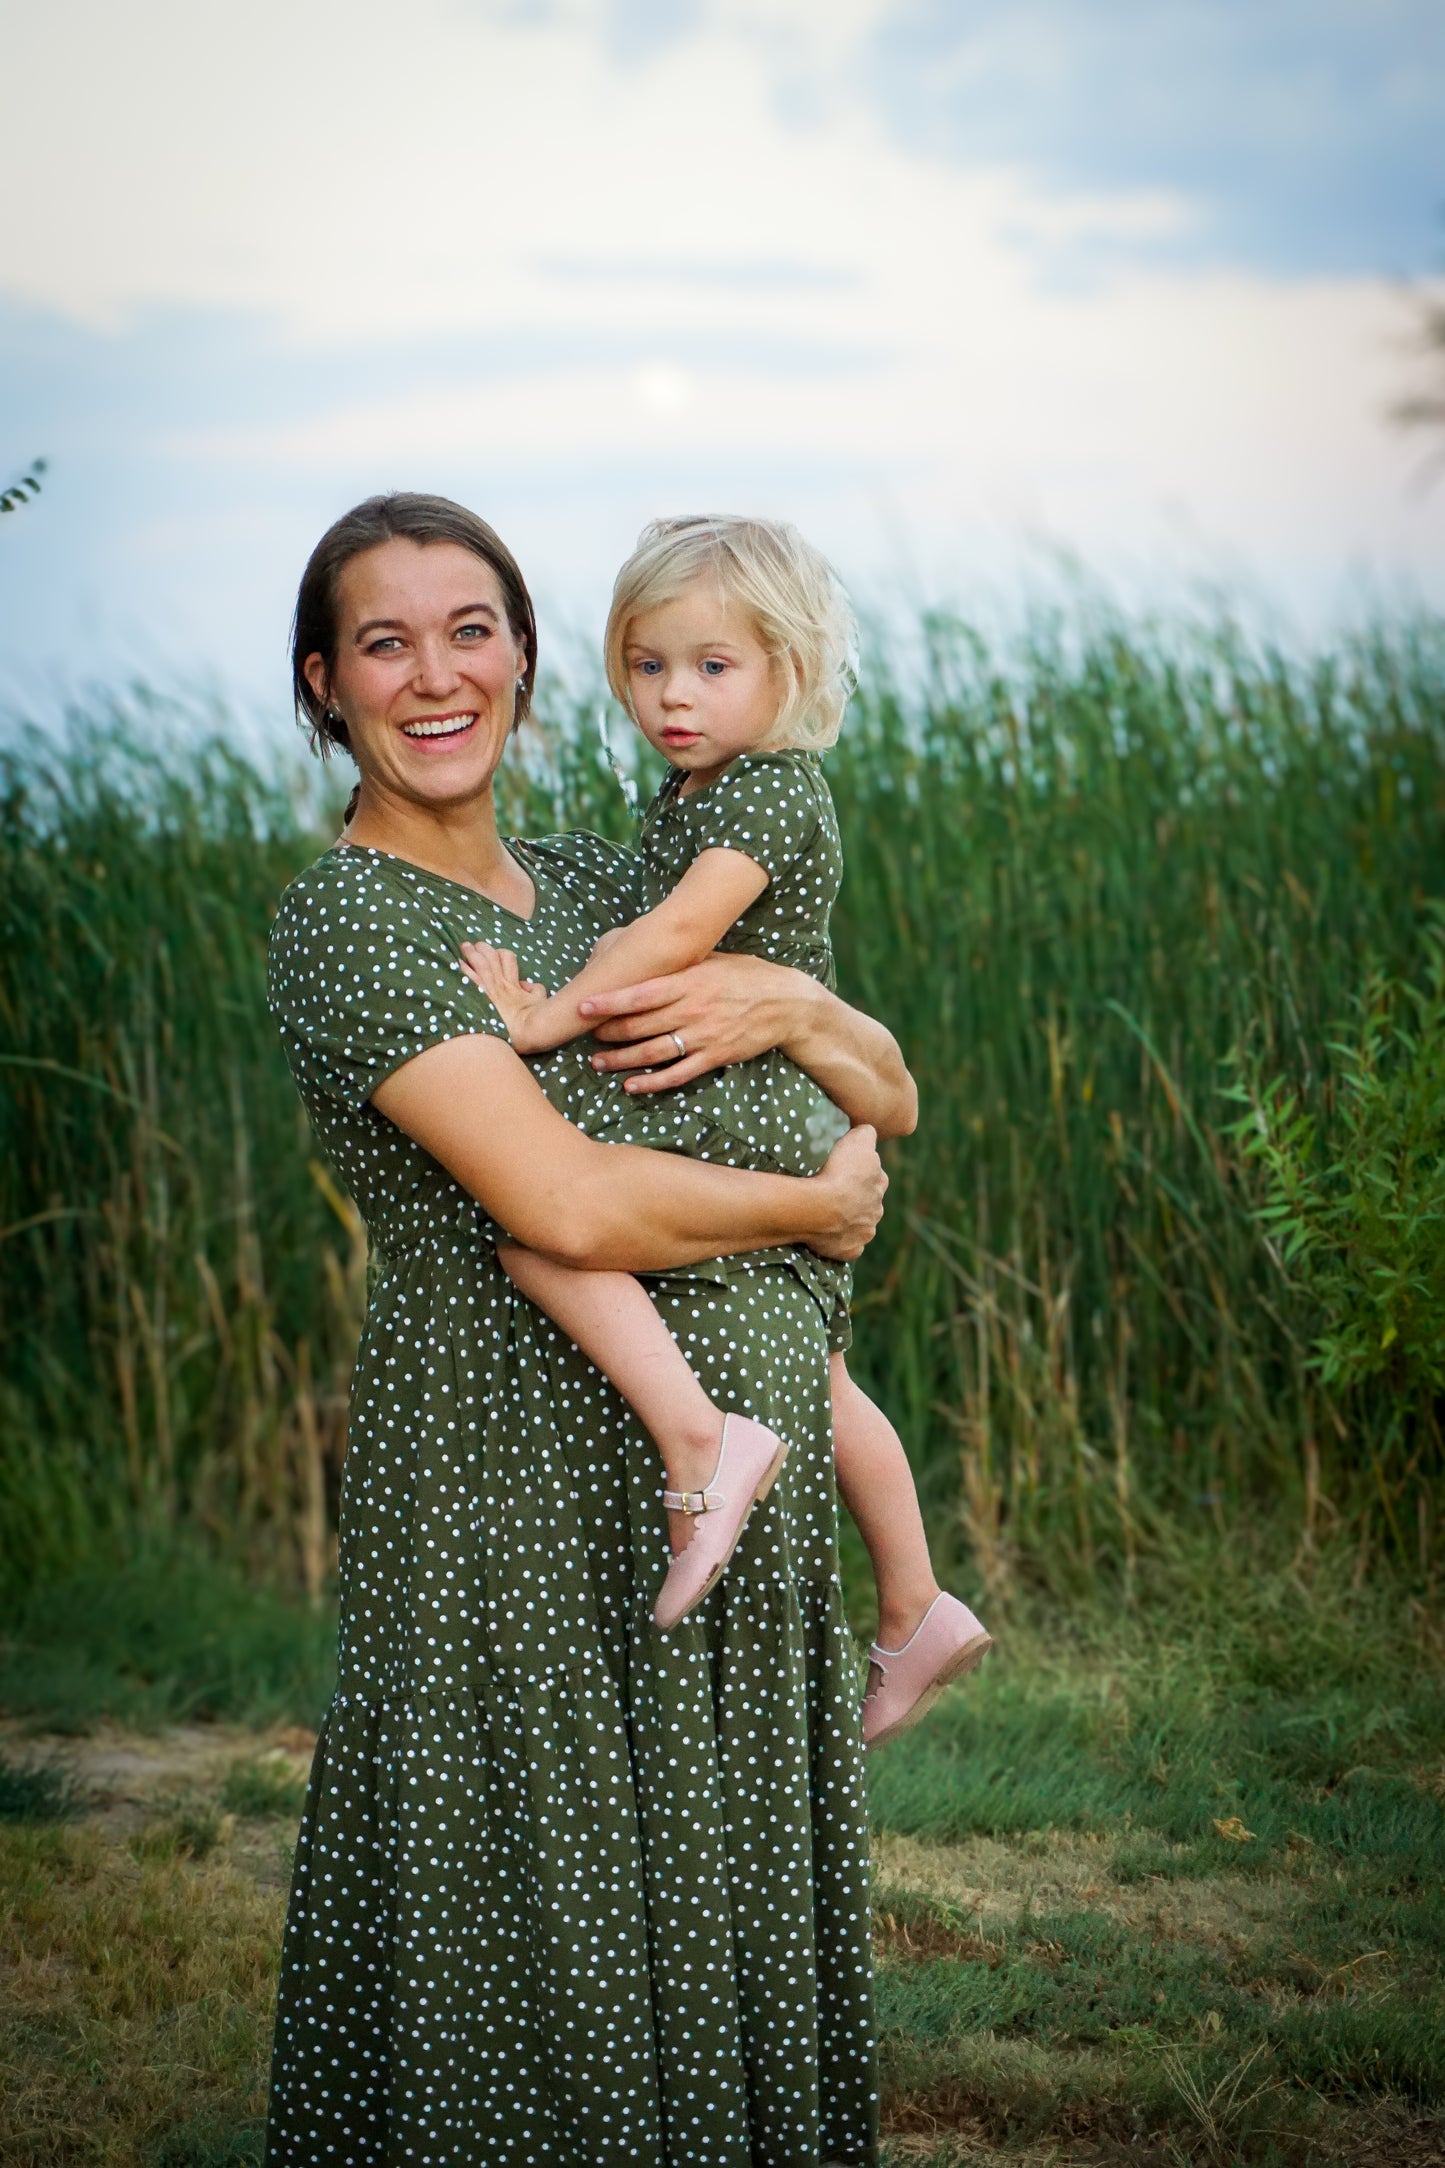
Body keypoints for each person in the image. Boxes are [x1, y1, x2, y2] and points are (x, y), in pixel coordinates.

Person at [264, 491, 911, 2166]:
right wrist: (808, 1212)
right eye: (382, 641)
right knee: (532, 1931)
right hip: (515, 1504)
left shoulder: (600, 877)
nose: (433, 673)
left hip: (722, 1518)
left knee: (719, 1906)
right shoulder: (352, 921)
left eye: (469, 628)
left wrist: (804, 1005)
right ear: (325, 683)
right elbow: (566, 1203)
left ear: (531, 659)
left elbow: (885, 1091)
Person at [462, 516, 990, 1744]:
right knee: (822, 1367)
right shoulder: (702, 785)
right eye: (647, 666)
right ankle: (913, 1605)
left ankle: (703, 1440)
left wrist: (541, 1018)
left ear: (788, 672)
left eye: (711, 666)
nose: (671, 696)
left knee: (536, 1218)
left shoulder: (766, 788)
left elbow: (675, 936)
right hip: (755, 1094)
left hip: (727, 1091)